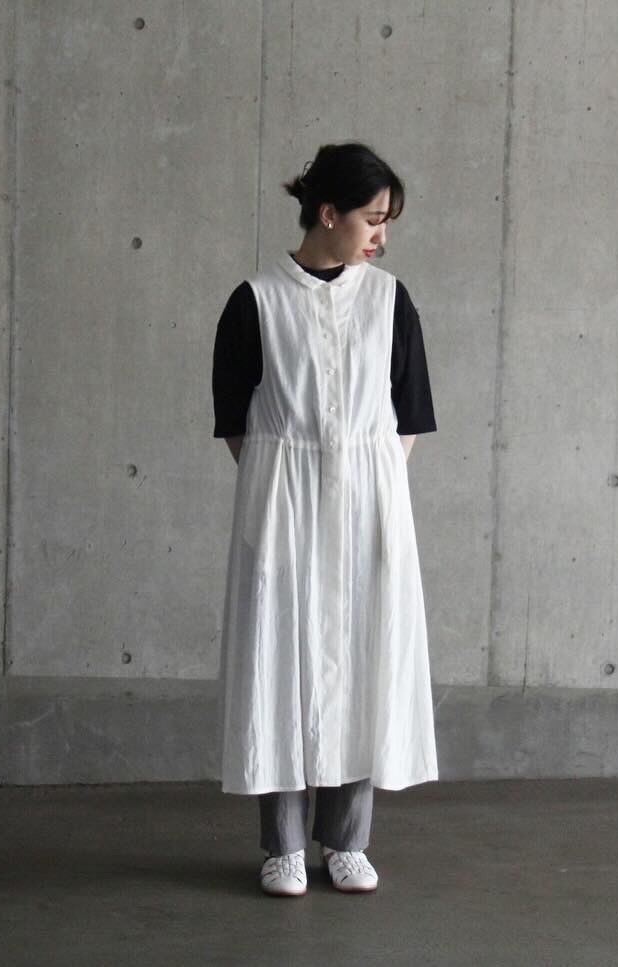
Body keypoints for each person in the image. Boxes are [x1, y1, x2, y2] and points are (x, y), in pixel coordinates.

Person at [211, 142, 439, 897]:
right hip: (283, 501)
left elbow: (409, 415)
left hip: (371, 503)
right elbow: (236, 423)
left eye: (387, 221)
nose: (382, 235)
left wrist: (367, 483)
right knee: (281, 656)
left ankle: (347, 839)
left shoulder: (390, 301)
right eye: (373, 219)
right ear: (328, 213)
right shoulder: (256, 301)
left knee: (363, 656)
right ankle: (281, 845)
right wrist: (287, 478)